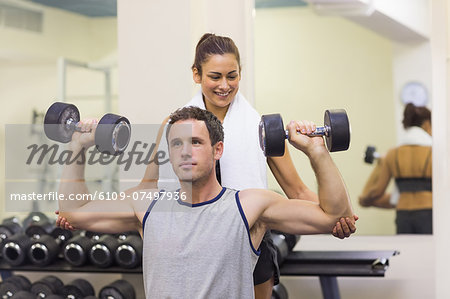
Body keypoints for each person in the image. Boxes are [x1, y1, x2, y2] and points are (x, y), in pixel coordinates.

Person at [58, 33, 357, 299]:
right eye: (215, 76)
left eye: (232, 76)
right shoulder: (173, 126)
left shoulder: (261, 130)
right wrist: (86, 197)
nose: (224, 86)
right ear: (197, 75)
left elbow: (297, 190)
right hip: (181, 225)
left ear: (218, 149)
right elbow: (147, 188)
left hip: (242, 229)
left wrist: (333, 214)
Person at [359, 103, 432, 234]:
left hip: (403, 214)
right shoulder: (434, 152)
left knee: (407, 253)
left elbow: (377, 192)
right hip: (428, 212)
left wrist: (363, 199)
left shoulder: (393, 154)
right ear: (427, 124)